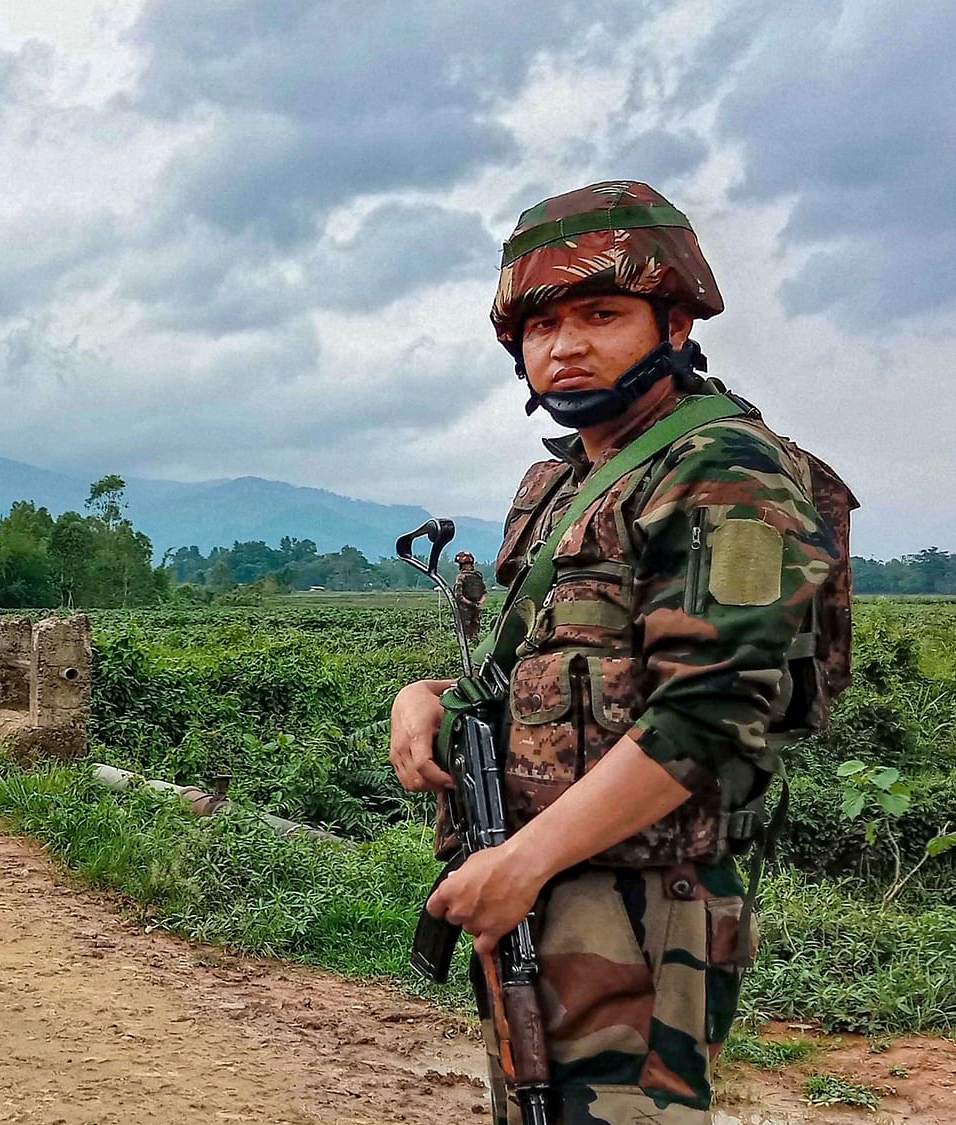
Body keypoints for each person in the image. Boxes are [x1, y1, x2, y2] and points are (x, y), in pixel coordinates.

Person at [387, 181, 843, 1124]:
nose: (566, 346)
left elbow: (708, 718)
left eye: (602, 314)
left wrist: (523, 862)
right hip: (537, 881)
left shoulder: (722, 469)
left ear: (674, 322)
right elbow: (555, 668)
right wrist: (430, 693)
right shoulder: (562, 484)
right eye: (541, 325)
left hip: (643, 906)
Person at [452, 550, 487, 648]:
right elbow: (484, 593)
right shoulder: (478, 576)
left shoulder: (461, 577)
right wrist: (478, 604)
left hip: (465, 610)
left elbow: (458, 596)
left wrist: (470, 604)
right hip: (476, 607)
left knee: (464, 633)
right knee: (475, 633)